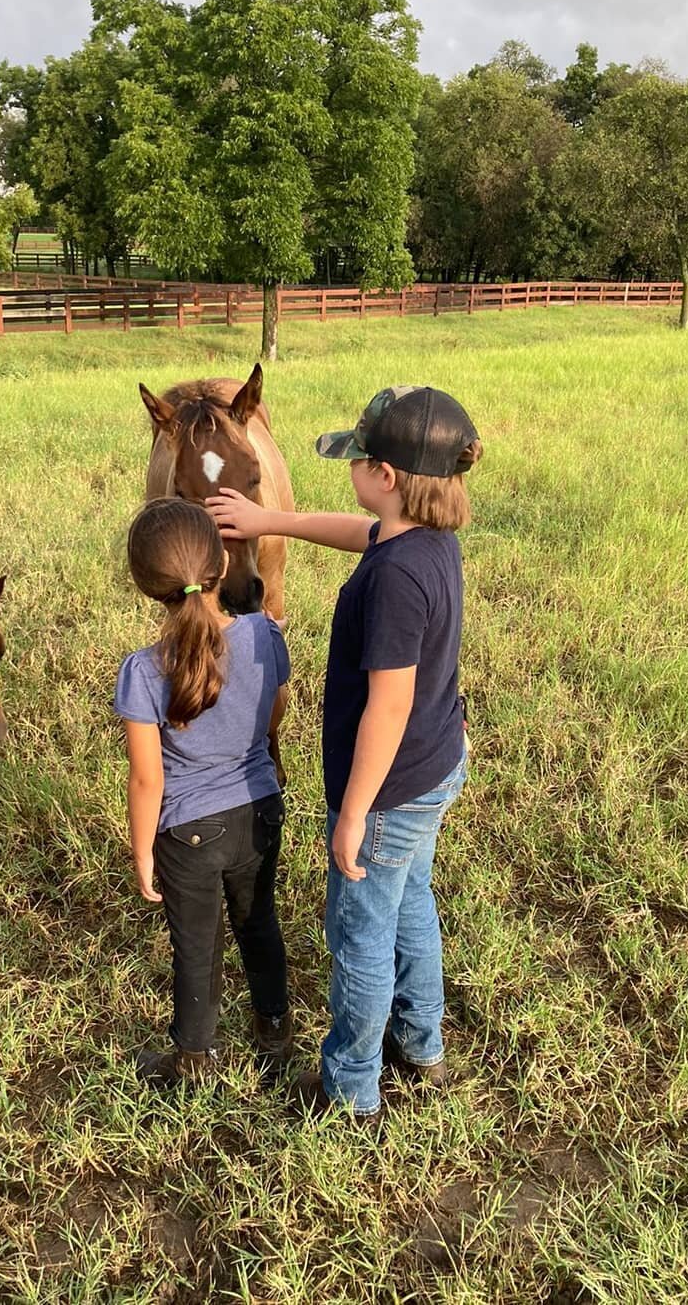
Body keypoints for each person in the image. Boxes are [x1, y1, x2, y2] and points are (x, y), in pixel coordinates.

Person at [207, 386, 482, 1120]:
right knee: (411, 899)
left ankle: (352, 1086)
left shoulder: (394, 579)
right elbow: (357, 531)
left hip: (388, 790)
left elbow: (388, 706)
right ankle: (421, 1047)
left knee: (358, 933)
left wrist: (354, 812)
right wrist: (271, 521)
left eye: (358, 459)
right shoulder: (423, 538)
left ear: (386, 478)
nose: (351, 470)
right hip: (435, 761)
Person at [114, 498, 292, 1088]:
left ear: (146, 585)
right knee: (258, 922)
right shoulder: (267, 634)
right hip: (261, 809)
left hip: (187, 833)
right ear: (222, 561)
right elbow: (273, 716)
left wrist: (142, 852)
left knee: (196, 944)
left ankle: (195, 1059)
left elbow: (148, 779)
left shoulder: (143, 671)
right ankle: (275, 1032)